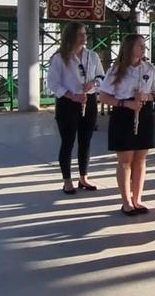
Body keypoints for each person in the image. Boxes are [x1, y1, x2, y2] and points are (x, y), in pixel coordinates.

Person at [99, 34, 155, 215]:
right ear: (129, 48)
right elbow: (103, 96)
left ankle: (138, 199)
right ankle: (126, 201)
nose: (143, 49)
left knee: (141, 159)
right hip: (123, 113)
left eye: (144, 45)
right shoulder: (117, 70)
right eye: (139, 46)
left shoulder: (149, 68)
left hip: (143, 112)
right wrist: (126, 103)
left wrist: (146, 97)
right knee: (125, 160)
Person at [47, 22, 105, 194]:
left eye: (85, 33)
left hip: (89, 101)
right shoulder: (59, 58)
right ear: (71, 36)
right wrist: (71, 95)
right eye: (80, 34)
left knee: (85, 141)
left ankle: (83, 177)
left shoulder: (92, 56)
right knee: (68, 142)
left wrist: (94, 83)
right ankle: (67, 180)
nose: (84, 36)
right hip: (68, 104)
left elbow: (102, 76)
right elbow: (52, 83)